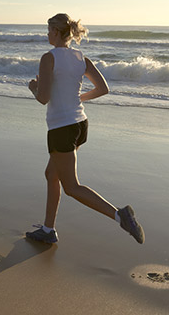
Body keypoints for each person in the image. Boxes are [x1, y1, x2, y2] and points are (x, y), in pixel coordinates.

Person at [26, 13, 144, 245]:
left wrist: (34, 87)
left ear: (57, 32)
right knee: (52, 174)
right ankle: (48, 229)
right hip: (80, 124)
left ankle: (120, 215)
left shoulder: (49, 58)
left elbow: (43, 98)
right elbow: (103, 88)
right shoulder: (81, 57)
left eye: (49, 30)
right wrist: (77, 98)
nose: (47, 34)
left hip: (62, 128)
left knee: (71, 186)